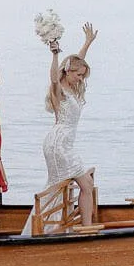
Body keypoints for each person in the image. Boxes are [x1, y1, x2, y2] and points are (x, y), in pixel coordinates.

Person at [41, 19, 99, 227]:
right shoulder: (60, 91)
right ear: (67, 71)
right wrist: (55, 54)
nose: (81, 79)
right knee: (84, 183)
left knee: (83, 184)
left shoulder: (72, 88)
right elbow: (55, 78)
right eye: (78, 75)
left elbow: (77, 62)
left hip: (65, 143)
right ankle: (86, 228)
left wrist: (87, 43)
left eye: (83, 76)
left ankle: (83, 226)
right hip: (58, 144)